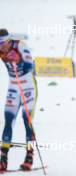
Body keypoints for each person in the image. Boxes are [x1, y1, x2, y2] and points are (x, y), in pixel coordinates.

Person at [0, 29, 37, 171]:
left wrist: (19, 61)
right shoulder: (1, 49)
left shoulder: (20, 45)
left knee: (26, 121)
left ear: (9, 41)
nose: (1, 47)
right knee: (8, 120)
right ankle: (3, 159)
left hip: (28, 86)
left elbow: (29, 65)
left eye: (3, 44)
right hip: (13, 87)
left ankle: (29, 155)